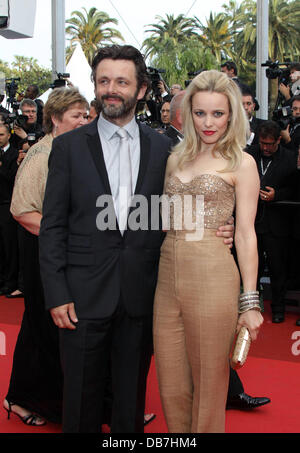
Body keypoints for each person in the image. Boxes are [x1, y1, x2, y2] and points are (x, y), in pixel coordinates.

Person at [38, 45, 235, 434]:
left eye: (121, 81)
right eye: (103, 81)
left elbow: (181, 208)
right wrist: (56, 292)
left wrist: (218, 229)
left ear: (141, 89)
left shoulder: (166, 150)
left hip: (143, 295)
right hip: (81, 297)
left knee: (131, 405)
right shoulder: (68, 147)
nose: (111, 89)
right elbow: (53, 226)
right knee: (79, 402)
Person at [153, 69, 264, 433]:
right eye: (200, 113)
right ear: (187, 114)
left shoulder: (242, 163)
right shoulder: (174, 159)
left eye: (218, 113)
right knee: (171, 385)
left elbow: (246, 234)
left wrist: (250, 303)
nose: (208, 122)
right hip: (167, 276)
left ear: (232, 114)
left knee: (210, 386)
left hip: (214, 275)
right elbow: (165, 218)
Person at [3, 87, 89, 426]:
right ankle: (21, 400)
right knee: (41, 329)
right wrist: (66, 236)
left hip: (64, 253)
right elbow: (21, 210)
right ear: (55, 119)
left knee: (57, 332)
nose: (84, 121)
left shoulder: (75, 151)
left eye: (86, 115)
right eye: (77, 116)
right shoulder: (42, 154)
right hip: (42, 253)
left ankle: (64, 402)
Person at [247, 121, 298, 323]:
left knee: (278, 269)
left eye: (270, 144)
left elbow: (294, 189)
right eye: (262, 143)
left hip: (278, 224)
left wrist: (277, 195)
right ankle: (250, 307)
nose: (266, 147)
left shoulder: (289, 158)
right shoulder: (249, 154)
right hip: (252, 223)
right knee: (252, 269)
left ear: (278, 140)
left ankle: (278, 308)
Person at [0, 124, 22, 298]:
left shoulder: (15, 155)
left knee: (9, 246)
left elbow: (12, 179)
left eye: (1, 134)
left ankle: (10, 281)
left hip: (8, 205)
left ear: (9, 136)